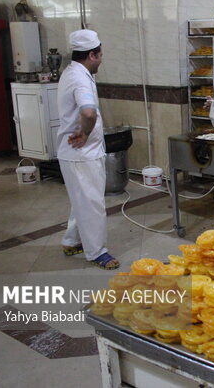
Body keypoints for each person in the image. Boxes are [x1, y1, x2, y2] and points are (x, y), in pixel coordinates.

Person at [56, 29, 119, 270]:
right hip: (82, 154)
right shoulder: (80, 78)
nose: (102, 60)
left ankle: (71, 241)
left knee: (81, 200)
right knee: (91, 203)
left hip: (75, 155)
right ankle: (97, 252)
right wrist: (84, 132)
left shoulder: (72, 72)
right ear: (92, 55)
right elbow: (88, 112)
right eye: (101, 55)